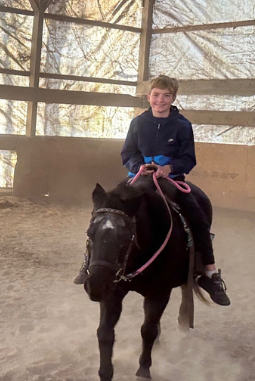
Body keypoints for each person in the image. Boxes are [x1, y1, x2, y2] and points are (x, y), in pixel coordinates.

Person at [75, 75, 230, 306]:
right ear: (149, 97)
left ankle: (208, 272)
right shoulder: (138, 123)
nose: (161, 100)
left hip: (171, 180)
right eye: (156, 95)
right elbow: (128, 152)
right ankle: (89, 262)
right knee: (105, 214)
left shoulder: (182, 125)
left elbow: (188, 157)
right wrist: (138, 166)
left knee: (198, 216)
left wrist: (170, 167)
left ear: (173, 98)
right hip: (138, 179)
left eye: (166, 95)